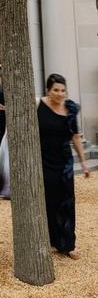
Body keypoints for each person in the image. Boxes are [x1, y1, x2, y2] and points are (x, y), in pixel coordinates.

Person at [38, 73, 90, 259]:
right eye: (56, 90)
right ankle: (53, 240)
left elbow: (75, 137)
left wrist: (83, 162)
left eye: (63, 90)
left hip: (64, 163)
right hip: (43, 161)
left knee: (67, 201)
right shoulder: (38, 105)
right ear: (48, 91)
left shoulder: (70, 109)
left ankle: (68, 244)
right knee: (49, 201)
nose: (60, 94)